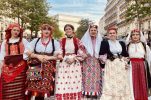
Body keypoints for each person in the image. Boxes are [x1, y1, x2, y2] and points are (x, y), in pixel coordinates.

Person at [25, 24, 62, 100]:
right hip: (35, 65)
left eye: (48, 29)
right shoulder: (35, 41)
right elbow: (27, 52)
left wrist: (49, 57)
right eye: (44, 29)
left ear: (51, 31)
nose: (46, 31)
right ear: (41, 31)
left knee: (44, 89)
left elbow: (58, 55)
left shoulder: (54, 42)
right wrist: (38, 56)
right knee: (34, 88)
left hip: (47, 67)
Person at [99, 27, 132, 100]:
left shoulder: (121, 43)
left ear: (116, 34)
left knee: (121, 82)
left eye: (113, 33)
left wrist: (126, 62)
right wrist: (108, 59)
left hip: (121, 65)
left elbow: (125, 54)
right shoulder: (104, 43)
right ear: (107, 35)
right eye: (110, 33)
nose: (112, 34)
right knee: (111, 83)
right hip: (111, 65)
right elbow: (101, 54)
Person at [55, 24, 86, 100]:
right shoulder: (61, 40)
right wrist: (64, 58)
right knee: (63, 81)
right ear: (65, 31)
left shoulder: (77, 40)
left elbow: (83, 52)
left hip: (74, 63)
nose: (68, 30)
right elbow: (58, 51)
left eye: (70, 29)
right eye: (66, 29)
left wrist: (74, 58)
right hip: (64, 62)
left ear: (72, 30)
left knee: (74, 81)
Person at [0, 23, 29, 100]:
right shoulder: (5, 41)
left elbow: (28, 51)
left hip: (21, 67)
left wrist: (26, 58)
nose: (16, 32)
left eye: (18, 30)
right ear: (10, 30)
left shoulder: (24, 40)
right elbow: (2, 54)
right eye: (14, 30)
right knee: (7, 86)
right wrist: (2, 65)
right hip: (8, 67)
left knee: (20, 87)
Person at [126, 29, 151, 100]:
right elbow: (126, 57)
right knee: (132, 82)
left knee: (142, 82)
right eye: (133, 35)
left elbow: (149, 57)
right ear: (131, 36)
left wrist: (148, 68)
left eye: (137, 35)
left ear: (140, 36)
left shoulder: (145, 46)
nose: (135, 36)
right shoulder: (127, 46)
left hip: (142, 66)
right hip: (131, 66)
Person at [81, 25, 102, 99]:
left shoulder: (100, 41)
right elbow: (80, 50)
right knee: (87, 77)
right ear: (89, 32)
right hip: (87, 61)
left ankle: (95, 93)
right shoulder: (84, 41)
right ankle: (87, 92)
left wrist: (102, 58)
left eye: (94, 30)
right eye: (91, 30)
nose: (93, 32)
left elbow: (102, 52)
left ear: (97, 32)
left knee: (96, 78)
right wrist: (83, 54)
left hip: (96, 62)